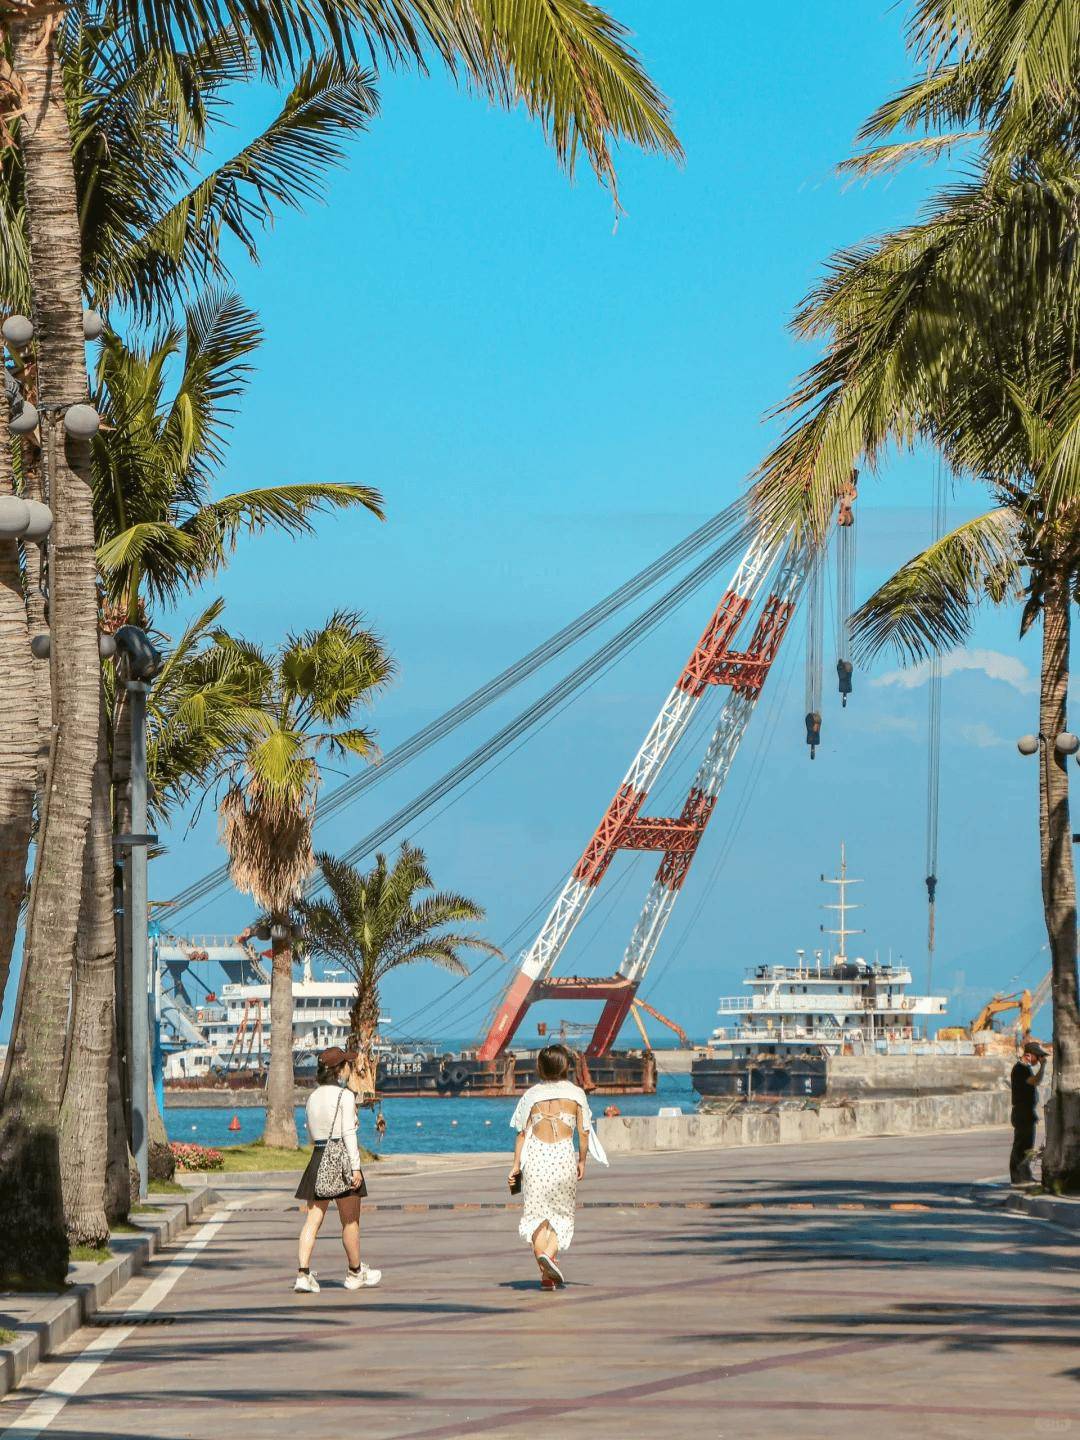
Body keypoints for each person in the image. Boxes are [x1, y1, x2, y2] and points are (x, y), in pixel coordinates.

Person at [507, 1044, 608, 1289]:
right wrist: (582, 1161)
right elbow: (584, 1133)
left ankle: (545, 1267)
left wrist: (515, 1166)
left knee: (535, 1217)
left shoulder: (530, 1096)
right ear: (566, 1067)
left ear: (539, 1067)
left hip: (536, 1160)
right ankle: (548, 1262)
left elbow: (522, 1134)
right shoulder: (576, 1094)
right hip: (563, 1158)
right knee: (561, 1216)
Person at [294, 1045, 381, 1293]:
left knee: (312, 1220)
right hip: (341, 1158)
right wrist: (356, 1168)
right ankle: (355, 1272)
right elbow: (348, 1134)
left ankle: (303, 1274)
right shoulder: (345, 1096)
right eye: (346, 1064)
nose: (348, 1068)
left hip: (318, 1157)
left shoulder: (312, 1098)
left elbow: (311, 1135)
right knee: (350, 1220)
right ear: (339, 1070)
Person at [1009, 1039, 1047, 1186]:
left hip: (1026, 1112)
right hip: (1021, 1112)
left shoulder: (1025, 1068)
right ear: (1029, 1055)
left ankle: (1024, 1175)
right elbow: (1035, 1081)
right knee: (1021, 1145)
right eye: (1038, 1057)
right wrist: (1043, 1067)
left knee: (1026, 1146)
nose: (1039, 1060)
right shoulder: (1020, 1069)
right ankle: (1018, 1177)